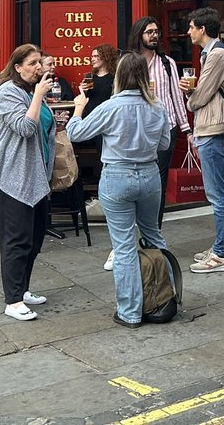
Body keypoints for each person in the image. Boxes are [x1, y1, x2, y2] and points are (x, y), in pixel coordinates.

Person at [69, 53, 171, 327]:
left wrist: (79, 107)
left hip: (117, 175)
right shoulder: (158, 107)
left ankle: (130, 311)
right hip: (149, 175)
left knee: (124, 247)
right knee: (154, 236)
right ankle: (165, 299)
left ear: (119, 76)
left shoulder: (109, 107)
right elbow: (164, 145)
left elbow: (75, 134)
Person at [0, 43, 57, 321]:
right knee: (16, 240)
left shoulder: (29, 92)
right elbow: (26, 128)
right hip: (12, 177)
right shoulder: (6, 93)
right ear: (17, 67)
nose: (39, 68)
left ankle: (23, 288)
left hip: (37, 176)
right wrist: (39, 95)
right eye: (32, 63)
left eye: (40, 62)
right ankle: (13, 299)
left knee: (35, 238)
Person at [182, 7, 224, 274]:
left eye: (192, 27)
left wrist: (191, 99)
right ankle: (220, 245)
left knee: (218, 194)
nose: (189, 31)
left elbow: (202, 94)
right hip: (210, 127)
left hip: (214, 128)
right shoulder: (210, 54)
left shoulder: (216, 54)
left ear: (203, 29)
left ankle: (223, 252)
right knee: (217, 192)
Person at [128, 17, 189, 228]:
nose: (154, 35)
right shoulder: (128, 63)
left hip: (166, 128)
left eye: (156, 32)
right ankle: (139, 223)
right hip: (138, 130)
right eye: (149, 32)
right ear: (139, 35)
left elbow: (176, 98)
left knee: (159, 183)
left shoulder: (167, 63)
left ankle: (154, 229)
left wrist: (187, 130)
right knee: (139, 178)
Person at [84, 44, 118, 113]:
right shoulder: (90, 76)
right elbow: (86, 98)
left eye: (96, 56)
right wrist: (84, 90)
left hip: (108, 114)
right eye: (92, 56)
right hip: (90, 115)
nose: (92, 59)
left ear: (106, 57)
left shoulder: (115, 77)